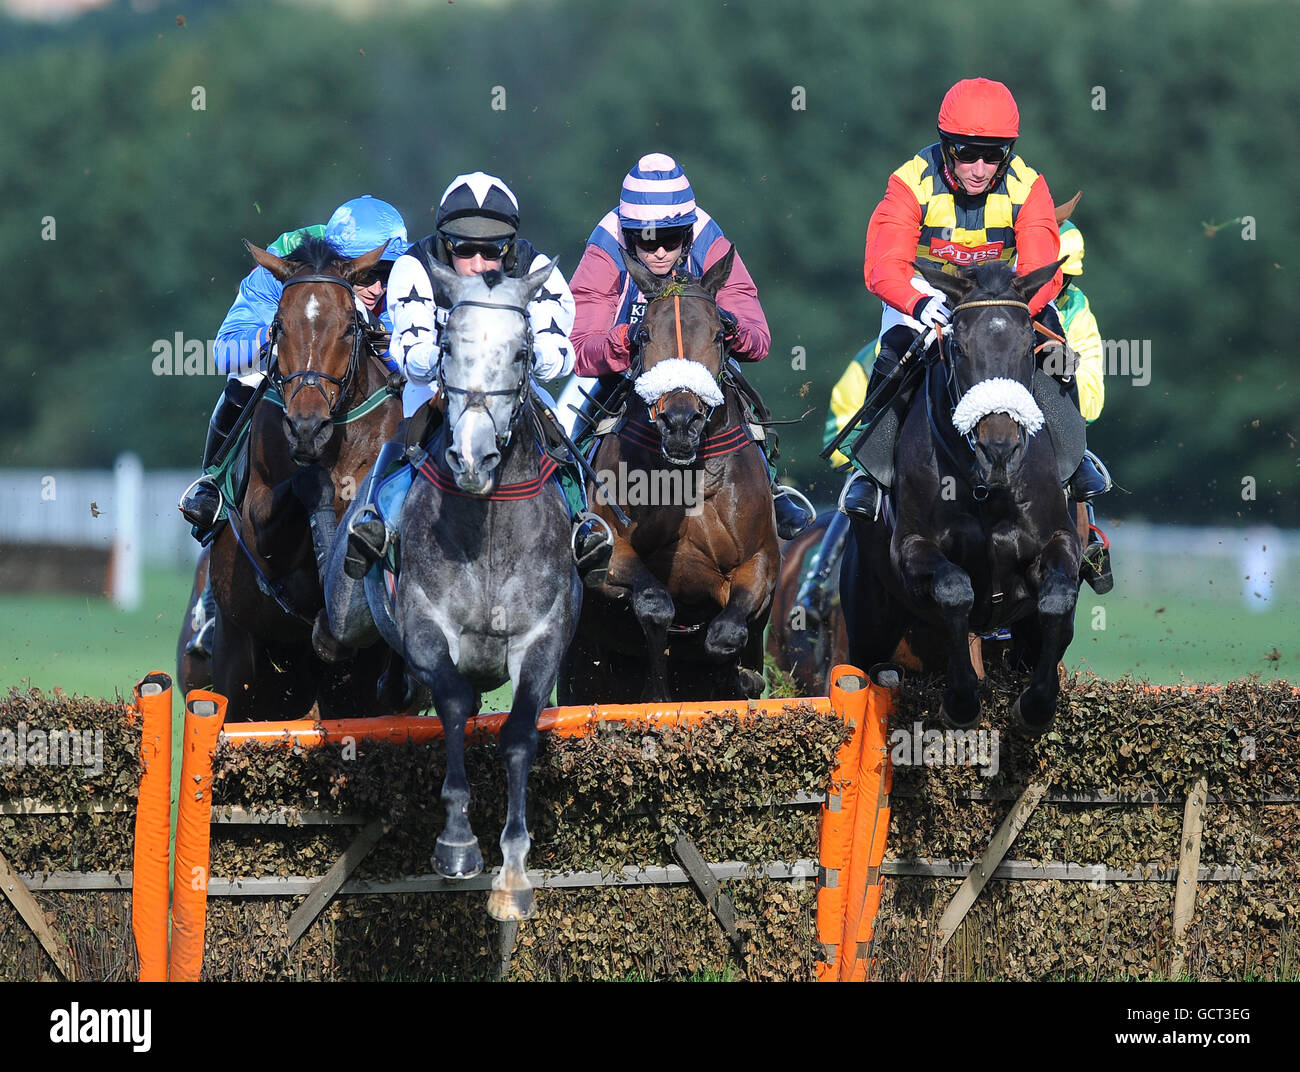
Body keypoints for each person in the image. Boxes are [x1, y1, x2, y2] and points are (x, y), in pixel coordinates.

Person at [793, 211, 1114, 627]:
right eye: (1059, 278)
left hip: (1031, 425)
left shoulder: (1075, 313)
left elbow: (1091, 401)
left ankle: (1089, 547)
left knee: (1065, 468)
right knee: (859, 500)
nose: (1060, 287)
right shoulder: (985, 305)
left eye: (1066, 280)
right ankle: (822, 572)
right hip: (963, 422)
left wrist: (1058, 374)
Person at [343, 172, 615, 585]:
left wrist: (511, 360)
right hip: (436, 388)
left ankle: (584, 526)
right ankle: (377, 521)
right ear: (446, 242)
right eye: (465, 250)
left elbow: (560, 356)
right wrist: (467, 361)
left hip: (512, 390)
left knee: (558, 442)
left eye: (491, 252)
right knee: (408, 441)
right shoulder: (414, 267)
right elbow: (414, 357)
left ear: (508, 248)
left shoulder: (536, 269)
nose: (477, 265)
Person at [177, 195, 409, 656]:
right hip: (293, 377)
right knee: (245, 372)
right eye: (365, 275)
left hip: (364, 412)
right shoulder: (283, 259)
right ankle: (213, 489)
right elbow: (224, 352)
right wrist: (288, 334)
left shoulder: (414, 275)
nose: (377, 289)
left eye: (385, 274)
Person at [568, 152, 815, 540]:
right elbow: (580, 348)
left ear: (687, 233)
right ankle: (577, 512)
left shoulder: (709, 239)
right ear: (627, 235)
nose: (660, 252)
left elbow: (759, 339)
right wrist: (628, 339)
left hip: (700, 372)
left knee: (745, 402)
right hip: (628, 371)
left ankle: (769, 487)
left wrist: (731, 327)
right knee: (574, 430)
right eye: (645, 241)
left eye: (669, 239)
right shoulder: (604, 249)